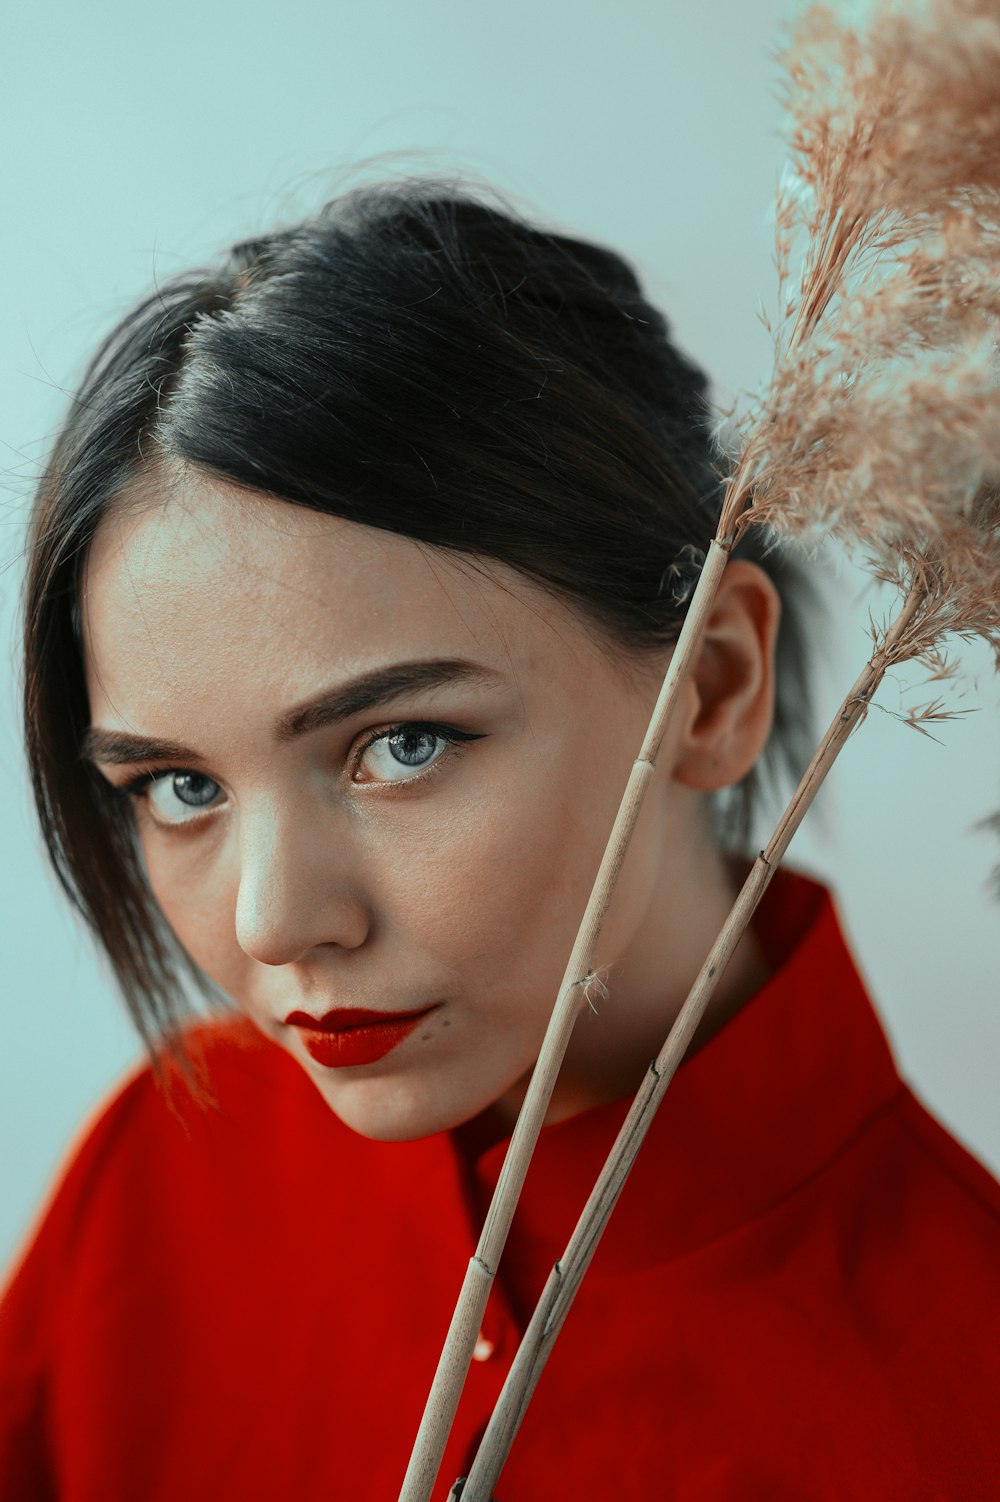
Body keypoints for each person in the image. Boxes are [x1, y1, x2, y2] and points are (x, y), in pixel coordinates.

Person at [1, 177, 998, 1501]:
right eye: (180, 787)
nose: (272, 921)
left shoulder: (961, 1380)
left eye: (400, 742)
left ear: (711, 687)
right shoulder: (166, 1177)